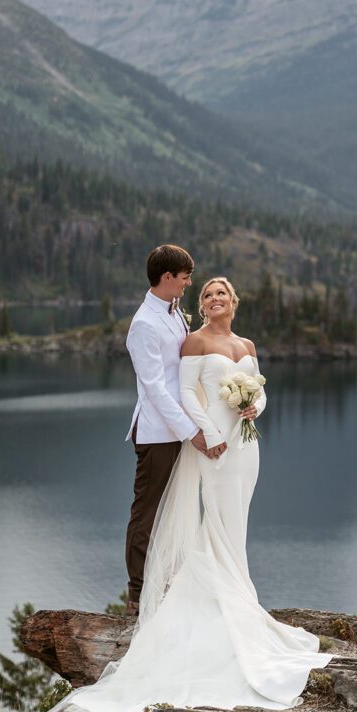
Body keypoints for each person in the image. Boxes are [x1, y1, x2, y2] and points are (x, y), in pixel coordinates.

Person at [35, 273, 332, 712]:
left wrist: (256, 408)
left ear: (234, 301)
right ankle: (227, 609)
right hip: (213, 443)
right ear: (204, 304)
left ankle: (239, 599)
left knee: (237, 523)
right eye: (207, 294)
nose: (213, 298)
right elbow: (186, 395)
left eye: (220, 293)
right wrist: (207, 434)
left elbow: (262, 390)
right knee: (215, 520)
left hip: (246, 445)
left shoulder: (247, 345)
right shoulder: (192, 343)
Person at [122, 244, 216, 616]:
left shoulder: (173, 312)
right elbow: (155, 388)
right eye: (185, 277)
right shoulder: (143, 324)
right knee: (147, 512)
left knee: (173, 510)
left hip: (177, 430)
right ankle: (137, 592)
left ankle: (169, 582)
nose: (189, 283)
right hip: (159, 433)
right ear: (167, 277)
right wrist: (190, 430)